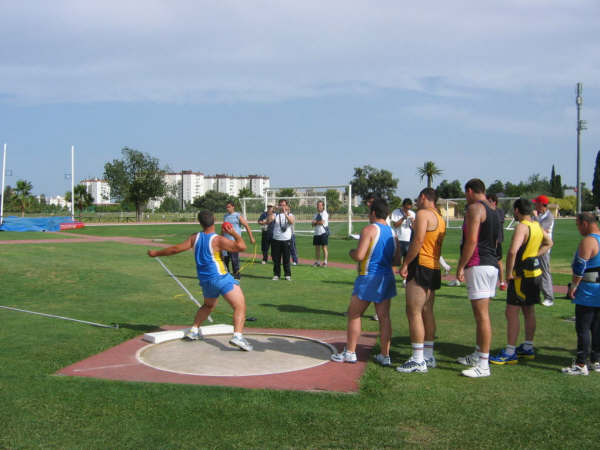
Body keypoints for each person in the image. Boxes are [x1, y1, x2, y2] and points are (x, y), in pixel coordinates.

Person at [147, 210, 253, 351]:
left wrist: (155, 253)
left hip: (205, 280)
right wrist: (233, 233)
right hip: (221, 277)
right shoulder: (217, 239)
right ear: (214, 219)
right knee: (240, 306)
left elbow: (175, 249)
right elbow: (242, 247)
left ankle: (194, 330)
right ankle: (238, 337)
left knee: (208, 306)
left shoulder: (194, 238)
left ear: (200, 222)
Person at [331, 198, 398, 365]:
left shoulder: (369, 229)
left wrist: (351, 252)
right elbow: (397, 259)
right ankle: (385, 355)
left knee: (354, 314)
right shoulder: (392, 233)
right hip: (387, 277)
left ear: (373, 213)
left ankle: (350, 352)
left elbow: (360, 255)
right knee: (384, 318)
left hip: (369, 277)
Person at [490, 198, 553, 365]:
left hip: (521, 276)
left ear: (517, 210)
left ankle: (510, 352)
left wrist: (509, 273)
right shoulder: (536, 226)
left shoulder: (522, 227)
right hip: (534, 273)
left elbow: (512, 252)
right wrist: (535, 256)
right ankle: (528, 347)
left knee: (511, 312)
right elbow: (549, 243)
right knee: (529, 310)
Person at [397, 188, 446, 373]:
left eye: (418, 198)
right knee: (427, 311)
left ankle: (418, 359)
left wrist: (405, 264)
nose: (417, 201)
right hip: (433, 266)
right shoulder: (440, 218)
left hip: (421, 264)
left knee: (413, 311)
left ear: (424, 197)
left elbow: (417, 241)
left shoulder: (423, 214)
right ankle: (428, 354)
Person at [455, 178, 500, 378]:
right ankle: (477, 354)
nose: (466, 198)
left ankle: (483, 364)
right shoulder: (493, 210)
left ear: (471, 191)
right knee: (481, 314)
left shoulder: (475, 209)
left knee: (482, 316)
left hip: (479, 264)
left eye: (466, 194)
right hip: (490, 264)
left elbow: (471, 241)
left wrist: (460, 266)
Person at [562, 212, 600, 375]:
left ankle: (580, 364)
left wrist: (573, 286)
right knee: (597, 327)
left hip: (588, 290)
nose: (578, 229)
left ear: (585, 223)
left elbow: (580, 267)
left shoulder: (588, 241)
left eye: (578, 225)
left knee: (583, 327)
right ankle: (596, 361)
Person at [222, 201, 255, 280]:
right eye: (227, 207)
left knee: (234, 260)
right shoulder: (225, 216)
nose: (228, 208)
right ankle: (226, 275)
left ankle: (237, 276)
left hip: (235, 242)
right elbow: (223, 228)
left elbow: (246, 226)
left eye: (229, 207)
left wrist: (251, 237)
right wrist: (221, 238)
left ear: (233, 207)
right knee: (225, 259)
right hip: (226, 242)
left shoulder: (238, 216)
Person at [533, 195, 555, 307]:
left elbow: (540, 229)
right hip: (534, 246)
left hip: (544, 248)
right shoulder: (538, 215)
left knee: (544, 271)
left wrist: (535, 218)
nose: (534, 204)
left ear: (541, 204)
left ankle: (549, 298)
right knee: (535, 272)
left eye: (536, 203)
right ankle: (535, 295)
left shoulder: (549, 216)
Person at [267, 199, 295, 281]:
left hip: (286, 240)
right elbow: (268, 220)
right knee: (276, 259)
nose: (282, 207)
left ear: (286, 206)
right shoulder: (275, 215)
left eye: (284, 205)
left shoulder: (290, 214)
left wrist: (285, 213)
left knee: (286, 258)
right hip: (276, 239)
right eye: (281, 205)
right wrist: (271, 211)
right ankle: (276, 274)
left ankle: (287, 275)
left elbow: (291, 221)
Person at [391, 198, 416, 285]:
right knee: (395, 261)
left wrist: (413, 222)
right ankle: (391, 279)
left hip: (409, 240)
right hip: (398, 239)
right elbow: (395, 225)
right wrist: (403, 218)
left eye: (409, 208)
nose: (407, 210)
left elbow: (414, 228)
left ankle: (405, 280)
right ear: (403, 206)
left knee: (406, 261)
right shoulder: (396, 212)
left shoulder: (412, 213)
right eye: (406, 208)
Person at [486, 193, 507, 291]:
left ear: (494, 202)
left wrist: (496, 240)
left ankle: (502, 282)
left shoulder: (499, 211)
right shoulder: (486, 211)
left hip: (497, 241)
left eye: (489, 201)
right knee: (488, 262)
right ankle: (490, 283)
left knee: (498, 262)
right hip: (487, 241)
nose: (488, 203)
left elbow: (498, 224)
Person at [312, 200, 329, 267]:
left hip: (323, 232)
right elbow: (312, 224)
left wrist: (315, 222)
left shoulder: (325, 213)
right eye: (317, 205)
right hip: (316, 233)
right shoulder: (315, 214)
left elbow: (322, 222)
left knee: (324, 247)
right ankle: (318, 262)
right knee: (317, 248)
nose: (318, 207)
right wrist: (315, 222)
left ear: (323, 206)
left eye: (320, 205)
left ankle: (325, 262)